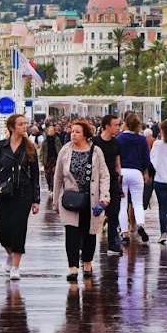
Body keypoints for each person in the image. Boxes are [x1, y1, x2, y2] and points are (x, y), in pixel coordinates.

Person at [53, 118, 110, 281]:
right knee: (71, 233)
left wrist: (104, 197)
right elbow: (58, 177)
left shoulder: (96, 151)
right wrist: (56, 200)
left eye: (77, 132)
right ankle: (72, 267)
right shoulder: (65, 150)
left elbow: (104, 175)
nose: (74, 135)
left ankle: (87, 262)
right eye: (72, 132)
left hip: (91, 199)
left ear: (85, 134)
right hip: (70, 199)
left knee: (89, 232)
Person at [0, 112, 41, 280]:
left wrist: (36, 200)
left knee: (19, 229)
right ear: (11, 128)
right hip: (4, 194)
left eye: (25, 124)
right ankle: (9, 254)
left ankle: (16, 267)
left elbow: (35, 175)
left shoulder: (30, 148)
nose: (24, 127)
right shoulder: (0, 147)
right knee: (4, 231)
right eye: (20, 124)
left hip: (23, 194)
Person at [91, 114, 124, 256]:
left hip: (112, 182)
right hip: (96, 182)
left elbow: (118, 164)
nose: (118, 128)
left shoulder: (116, 143)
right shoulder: (94, 142)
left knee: (114, 213)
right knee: (92, 213)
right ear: (106, 126)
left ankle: (112, 243)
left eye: (118, 125)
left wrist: (119, 182)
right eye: (115, 125)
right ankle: (85, 244)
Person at [117, 113, 151, 245]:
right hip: (137, 172)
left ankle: (125, 233)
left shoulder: (119, 138)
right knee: (137, 203)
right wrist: (145, 171)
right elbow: (146, 159)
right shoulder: (142, 139)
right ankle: (140, 225)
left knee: (122, 204)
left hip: (122, 172)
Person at [40, 124, 62, 195]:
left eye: (52, 131)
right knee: (47, 175)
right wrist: (42, 161)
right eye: (49, 131)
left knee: (54, 174)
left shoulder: (57, 140)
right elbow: (42, 151)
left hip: (55, 159)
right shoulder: (45, 141)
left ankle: (53, 188)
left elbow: (60, 149)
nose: (51, 132)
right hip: (47, 159)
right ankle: (49, 186)